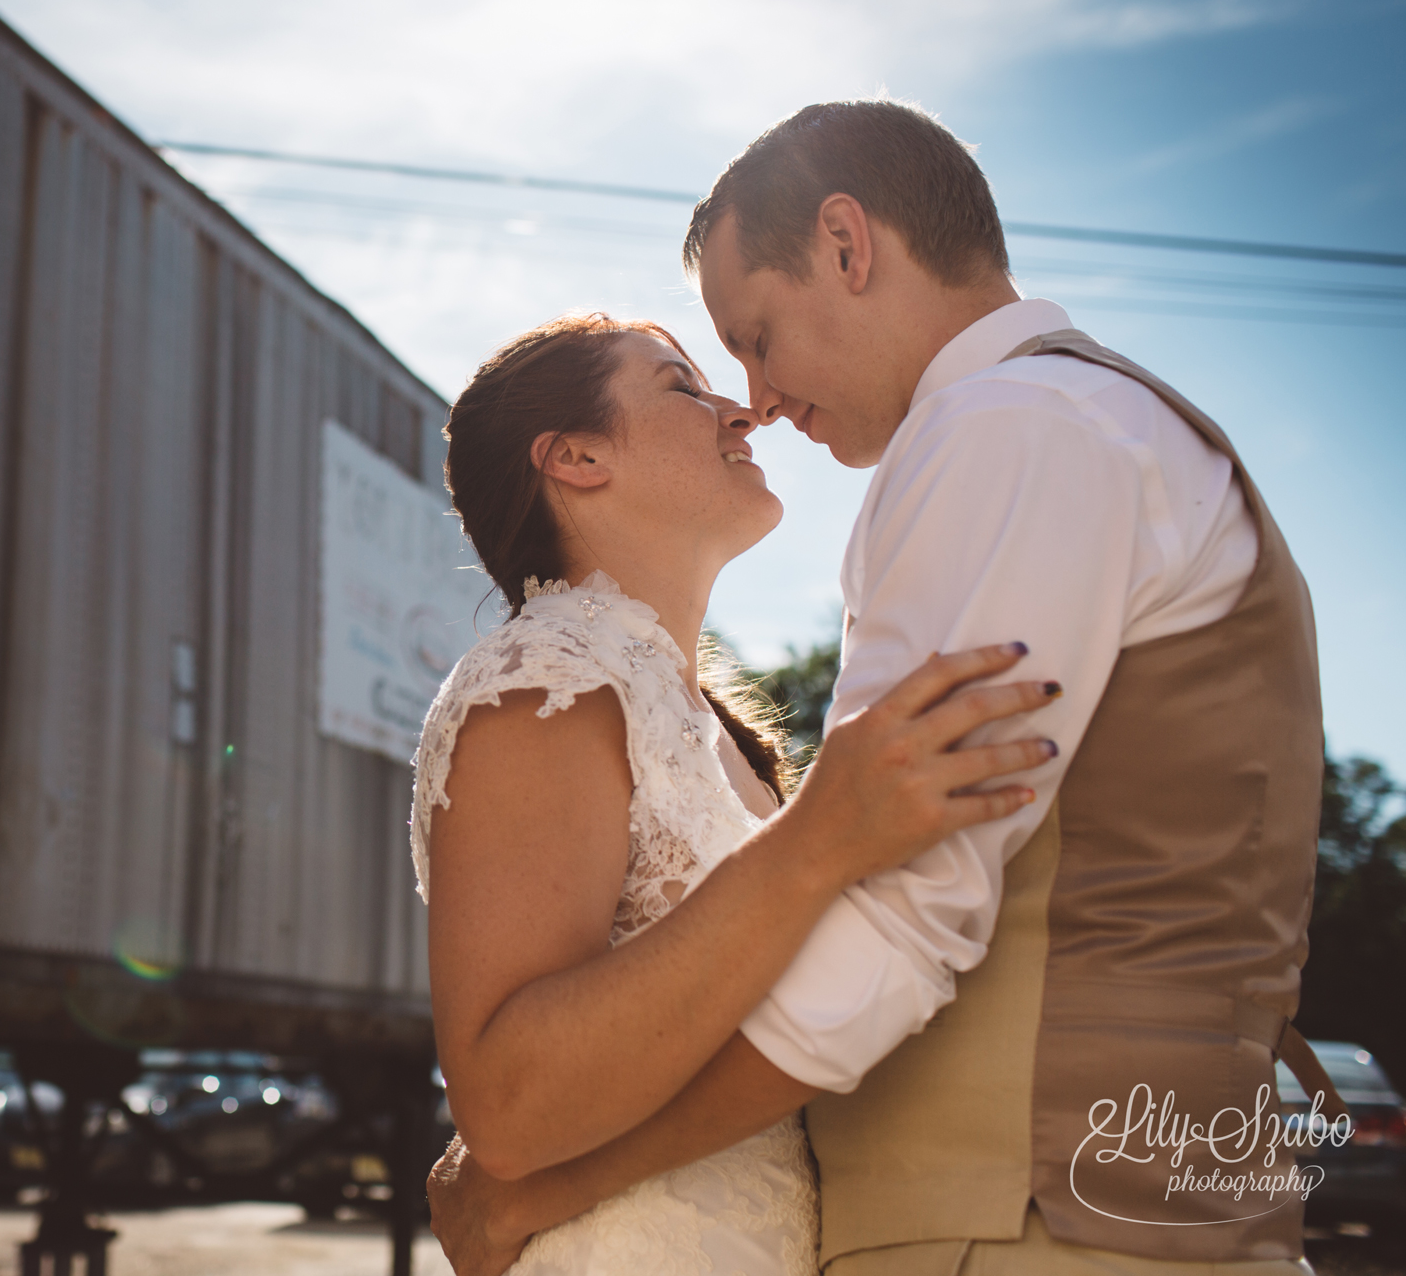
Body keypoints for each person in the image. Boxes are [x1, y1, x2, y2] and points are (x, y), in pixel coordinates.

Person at [427, 100, 1329, 1276]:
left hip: (1025, 1216)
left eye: (753, 335)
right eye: (708, 371)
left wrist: (548, 1183)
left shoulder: (1009, 427)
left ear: (847, 246)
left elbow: (904, 914)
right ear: (575, 457)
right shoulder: (1071, 423)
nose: (754, 395)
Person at [413, 309, 1059, 1274]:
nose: (742, 412)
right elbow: (507, 1106)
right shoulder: (541, 678)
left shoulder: (708, 720)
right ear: (578, 457)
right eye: (682, 385)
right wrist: (819, 841)